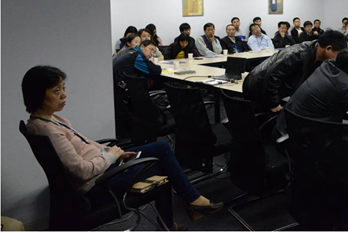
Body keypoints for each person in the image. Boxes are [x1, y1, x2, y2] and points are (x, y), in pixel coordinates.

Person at [23, 66, 223, 230]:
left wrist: (115, 153)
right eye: (56, 91)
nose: (64, 95)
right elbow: (81, 171)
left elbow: (86, 143)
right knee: (162, 169)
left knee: (161, 148)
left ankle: (189, 206)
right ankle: (182, 213)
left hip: (106, 167)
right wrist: (110, 157)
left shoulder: (50, 120)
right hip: (98, 183)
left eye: (63, 88)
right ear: (38, 95)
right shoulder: (47, 130)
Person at [243, 30, 348, 113]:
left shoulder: (322, 57)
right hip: (257, 87)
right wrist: (273, 103)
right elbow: (272, 77)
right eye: (339, 55)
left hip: (281, 91)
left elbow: (347, 69)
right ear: (328, 49)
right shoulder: (297, 54)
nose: (340, 59)